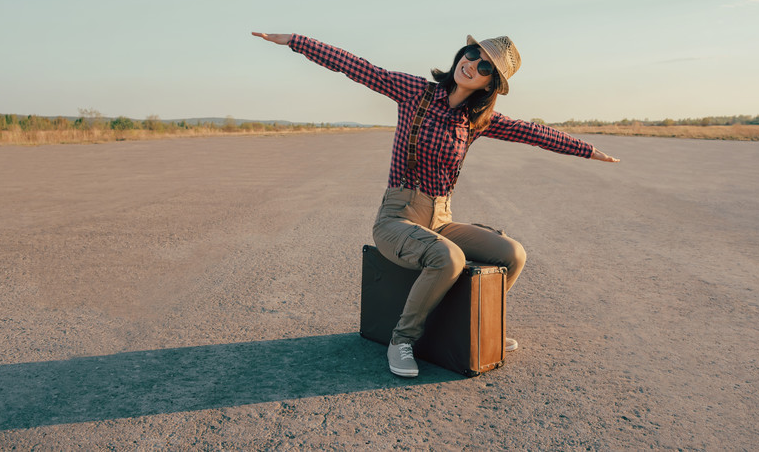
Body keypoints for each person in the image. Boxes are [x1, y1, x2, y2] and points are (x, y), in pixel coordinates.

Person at [252, 31, 619, 377]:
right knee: (449, 258)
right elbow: (356, 67)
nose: (472, 64)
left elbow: (535, 133)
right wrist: (294, 41)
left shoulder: (477, 120)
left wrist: (587, 150)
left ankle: (478, 323)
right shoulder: (415, 92)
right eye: (473, 54)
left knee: (513, 254)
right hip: (397, 218)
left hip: (440, 219)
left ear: (490, 84)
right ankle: (402, 341)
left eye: (485, 66)